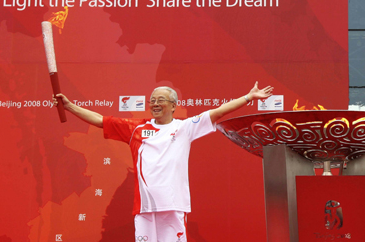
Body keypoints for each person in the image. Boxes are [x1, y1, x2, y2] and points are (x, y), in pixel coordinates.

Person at [53, 82, 273, 242]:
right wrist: (70, 106)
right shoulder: (136, 128)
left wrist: (248, 97)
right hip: (145, 207)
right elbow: (101, 121)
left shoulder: (184, 127)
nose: (155, 104)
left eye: (161, 100)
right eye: (152, 100)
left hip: (174, 205)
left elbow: (217, 112)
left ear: (173, 105)